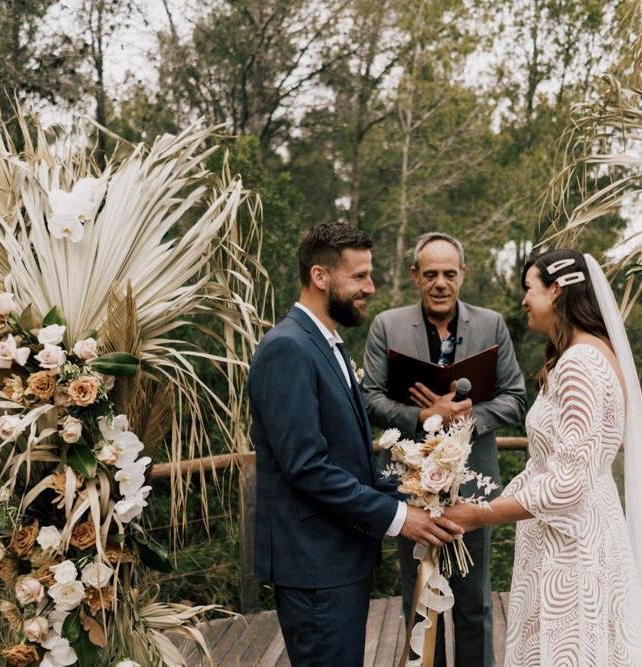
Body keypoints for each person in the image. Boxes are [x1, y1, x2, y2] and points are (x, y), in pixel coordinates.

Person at [248, 223, 462, 666]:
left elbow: (347, 461)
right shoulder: (288, 348)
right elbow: (307, 467)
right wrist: (401, 518)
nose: (371, 287)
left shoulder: (328, 345)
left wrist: (418, 491)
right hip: (314, 566)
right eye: (360, 276)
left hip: (338, 560)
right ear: (320, 276)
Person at [444, 249, 642, 666]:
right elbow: (553, 466)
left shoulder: (579, 364)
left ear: (556, 291)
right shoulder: (595, 353)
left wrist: (482, 515)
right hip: (585, 529)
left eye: (528, 289)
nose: (522, 300)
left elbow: (568, 482)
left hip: (569, 550)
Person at [362, 232, 526, 667]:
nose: (440, 282)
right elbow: (369, 398)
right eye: (430, 273)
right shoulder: (387, 326)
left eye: (449, 274)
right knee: (420, 602)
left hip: (473, 489)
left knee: (475, 604)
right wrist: (422, 417)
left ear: (463, 275)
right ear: (415, 276)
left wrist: (467, 416)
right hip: (412, 488)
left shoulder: (491, 324)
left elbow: (515, 396)